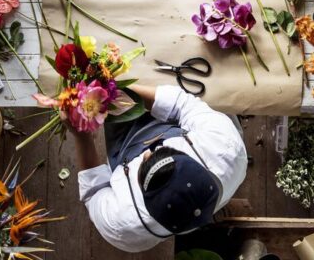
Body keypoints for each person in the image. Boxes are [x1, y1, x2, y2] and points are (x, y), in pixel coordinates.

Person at [65, 84, 248, 253]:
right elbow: (182, 104)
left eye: (143, 165)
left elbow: (94, 191)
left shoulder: (123, 226)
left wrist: (81, 136)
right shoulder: (225, 147)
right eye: (163, 152)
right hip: (181, 125)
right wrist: (115, 89)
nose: (146, 154)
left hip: (126, 146)